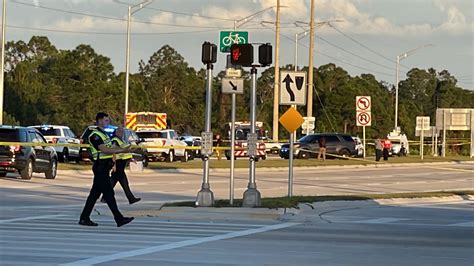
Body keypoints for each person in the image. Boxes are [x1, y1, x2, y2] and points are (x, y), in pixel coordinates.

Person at [78, 112, 134, 227]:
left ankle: (84, 218)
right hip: (100, 168)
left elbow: (111, 148)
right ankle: (119, 218)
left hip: (105, 167)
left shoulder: (104, 134)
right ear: (98, 121)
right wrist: (121, 151)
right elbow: (103, 149)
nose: (107, 122)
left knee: (94, 195)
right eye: (105, 120)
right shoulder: (95, 135)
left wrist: (115, 160)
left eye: (108, 120)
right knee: (109, 193)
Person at [100, 126, 141, 205]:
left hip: (122, 164)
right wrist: (113, 165)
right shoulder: (115, 140)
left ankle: (105, 197)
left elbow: (124, 151)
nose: (121, 133)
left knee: (115, 182)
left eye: (122, 132)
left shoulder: (121, 140)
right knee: (121, 183)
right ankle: (130, 198)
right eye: (119, 131)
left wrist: (130, 159)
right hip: (118, 164)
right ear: (116, 132)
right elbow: (113, 152)